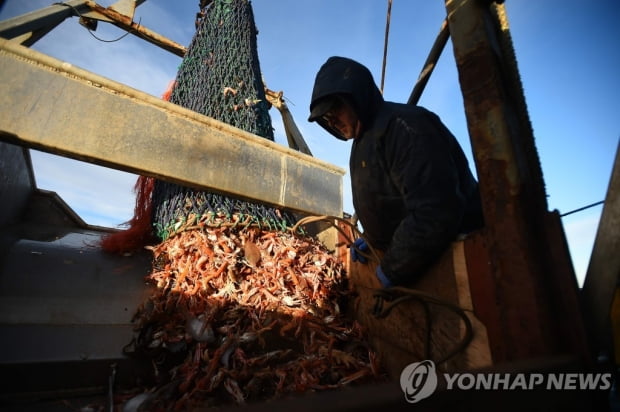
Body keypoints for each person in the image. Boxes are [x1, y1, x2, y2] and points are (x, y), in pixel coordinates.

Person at [308, 56, 483, 288]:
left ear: (356, 96)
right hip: (412, 256)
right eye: (326, 117)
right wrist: (371, 238)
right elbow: (389, 201)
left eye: (335, 110)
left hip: (465, 255)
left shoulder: (406, 128)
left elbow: (435, 211)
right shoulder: (362, 144)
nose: (332, 121)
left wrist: (393, 269)